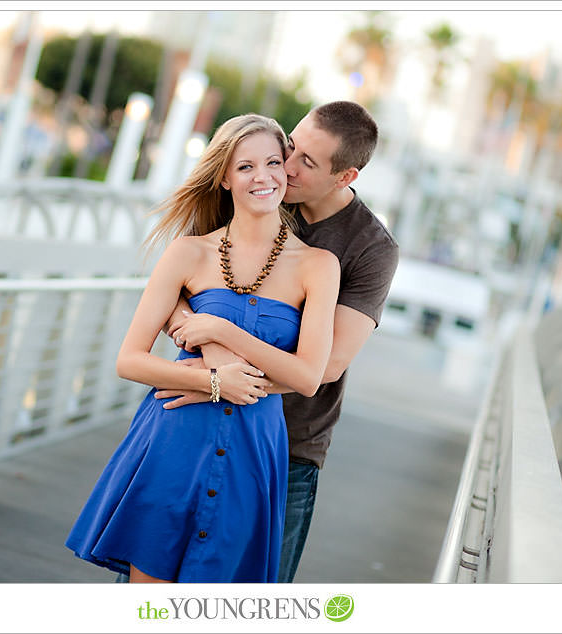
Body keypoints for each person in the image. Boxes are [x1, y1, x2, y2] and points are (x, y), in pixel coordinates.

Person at [64, 114, 340, 583]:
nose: (263, 177)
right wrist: (212, 381)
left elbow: (308, 376)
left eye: (274, 162)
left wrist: (219, 331)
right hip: (174, 441)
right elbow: (130, 359)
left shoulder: (318, 266)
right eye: (246, 166)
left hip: (254, 454)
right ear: (225, 178)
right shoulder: (188, 253)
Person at [156, 101, 399, 583]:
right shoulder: (257, 184)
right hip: (196, 421)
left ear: (345, 176)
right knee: (154, 573)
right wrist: (211, 370)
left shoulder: (369, 248)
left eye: (307, 162)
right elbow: (172, 293)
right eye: (292, 144)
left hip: (288, 445)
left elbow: (326, 366)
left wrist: (222, 377)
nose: (285, 166)